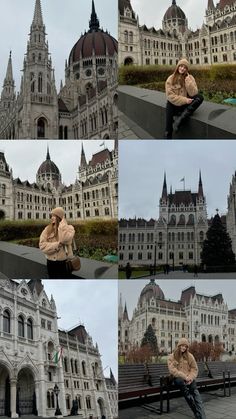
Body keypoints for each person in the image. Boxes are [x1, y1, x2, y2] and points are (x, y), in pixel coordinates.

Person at [165, 58, 204, 139]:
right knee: (169, 104)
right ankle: (167, 136)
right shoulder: (170, 79)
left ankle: (180, 120)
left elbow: (194, 93)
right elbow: (170, 96)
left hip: (185, 107)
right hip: (175, 105)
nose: (182, 68)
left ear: (187, 69)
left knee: (200, 97)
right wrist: (185, 100)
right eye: (181, 66)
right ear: (178, 66)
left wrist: (188, 82)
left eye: (185, 67)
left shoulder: (190, 78)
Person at [168, 338, 206, 419]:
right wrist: (185, 377)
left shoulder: (190, 356)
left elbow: (194, 369)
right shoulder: (172, 356)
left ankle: (202, 416)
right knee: (182, 384)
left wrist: (190, 378)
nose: (184, 348)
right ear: (179, 346)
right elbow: (172, 370)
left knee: (195, 391)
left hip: (189, 378)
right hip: (178, 379)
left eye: (185, 346)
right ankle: (196, 411)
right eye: (182, 346)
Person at [39, 207, 75, 279]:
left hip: (64, 263)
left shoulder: (69, 228)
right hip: (50, 263)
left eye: (54, 216)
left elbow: (64, 239)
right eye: (51, 216)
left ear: (59, 217)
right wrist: (57, 245)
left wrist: (63, 224)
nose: (52, 218)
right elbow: (42, 245)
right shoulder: (47, 229)